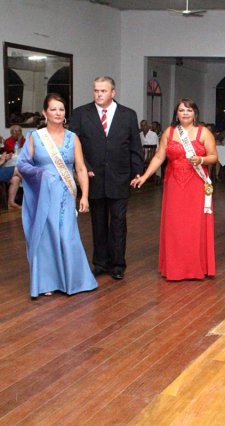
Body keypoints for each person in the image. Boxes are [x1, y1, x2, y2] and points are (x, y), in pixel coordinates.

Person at [17, 93, 97, 297]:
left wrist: (84, 196)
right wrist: (40, 173)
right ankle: (47, 282)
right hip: (44, 194)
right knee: (47, 237)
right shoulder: (36, 137)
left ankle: (73, 280)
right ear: (45, 112)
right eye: (53, 109)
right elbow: (22, 164)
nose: (58, 113)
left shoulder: (73, 138)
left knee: (67, 235)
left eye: (61, 109)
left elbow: (80, 168)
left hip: (66, 195)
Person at [131, 99, 217, 280]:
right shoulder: (169, 132)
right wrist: (144, 177)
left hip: (196, 184)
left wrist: (201, 160)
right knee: (175, 225)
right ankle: (175, 268)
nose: (185, 113)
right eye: (181, 110)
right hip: (174, 185)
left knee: (193, 226)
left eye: (189, 110)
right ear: (176, 113)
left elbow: (214, 157)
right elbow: (159, 157)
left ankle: (194, 267)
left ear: (195, 113)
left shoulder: (203, 132)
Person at [69, 76, 144, 280]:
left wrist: (137, 171)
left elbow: (135, 146)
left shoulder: (128, 115)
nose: (99, 94)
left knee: (118, 221)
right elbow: (73, 144)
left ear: (113, 92)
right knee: (98, 222)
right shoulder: (81, 114)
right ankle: (101, 263)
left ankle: (118, 264)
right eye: (96, 90)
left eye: (103, 91)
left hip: (120, 177)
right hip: (93, 177)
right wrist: (84, 167)